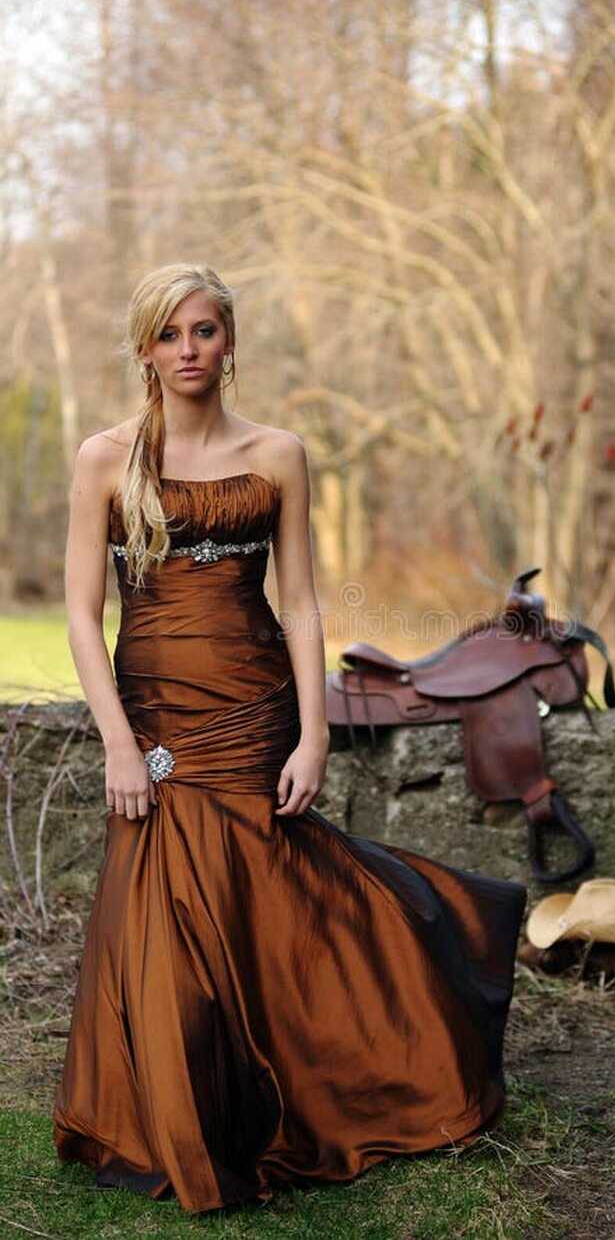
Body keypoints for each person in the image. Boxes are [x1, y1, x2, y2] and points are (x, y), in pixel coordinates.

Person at [53, 261, 528, 1214]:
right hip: (153, 717)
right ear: (144, 347)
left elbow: (304, 602)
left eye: (206, 331)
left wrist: (315, 733)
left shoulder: (278, 453)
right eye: (170, 334)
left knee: (270, 907)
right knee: (161, 925)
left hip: (255, 707)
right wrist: (114, 742)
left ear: (231, 340)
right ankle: (179, 1115)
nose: (189, 350)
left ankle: (335, 1079)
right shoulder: (106, 458)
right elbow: (79, 611)